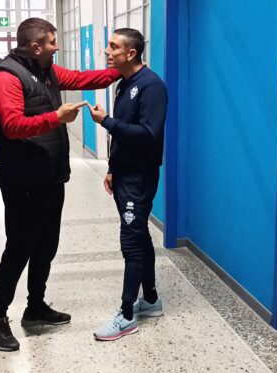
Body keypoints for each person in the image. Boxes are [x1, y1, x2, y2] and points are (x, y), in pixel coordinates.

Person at [0, 18, 121, 352]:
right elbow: (13, 126)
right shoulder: (6, 77)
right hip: (22, 181)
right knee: (19, 249)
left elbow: (85, 78)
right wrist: (56, 118)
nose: (57, 47)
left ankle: (35, 307)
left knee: (46, 246)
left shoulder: (48, 71)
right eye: (52, 42)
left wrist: (125, 68)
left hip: (49, 177)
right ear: (35, 46)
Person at [87, 28, 168, 341]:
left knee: (131, 242)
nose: (107, 52)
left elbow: (149, 135)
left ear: (131, 53)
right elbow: (123, 135)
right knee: (139, 236)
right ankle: (149, 299)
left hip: (140, 177)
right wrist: (112, 168)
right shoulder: (124, 84)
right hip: (124, 173)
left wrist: (106, 121)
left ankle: (126, 315)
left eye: (113, 47)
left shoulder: (152, 87)